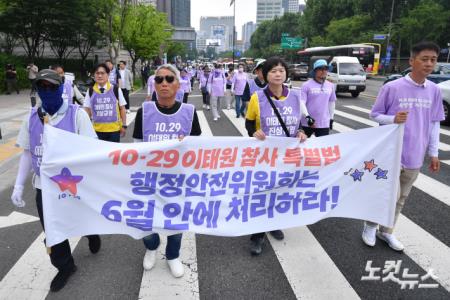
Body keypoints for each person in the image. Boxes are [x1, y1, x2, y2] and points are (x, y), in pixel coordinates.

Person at [10, 69, 101, 292]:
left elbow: (93, 149)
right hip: (45, 187)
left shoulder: (76, 114)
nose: (47, 91)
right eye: (43, 87)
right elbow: (28, 152)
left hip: (74, 184)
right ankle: (65, 266)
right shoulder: (32, 117)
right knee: (52, 230)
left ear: (61, 88)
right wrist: (19, 185)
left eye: (52, 86)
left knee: (80, 216)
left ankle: (91, 230)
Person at [361, 41, 445, 251]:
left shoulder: (434, 90)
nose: (428, 64)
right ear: (412, 61)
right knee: (388, 194)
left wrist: (434, 153)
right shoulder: (392, 87)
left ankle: (386, 232)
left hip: (415, 154)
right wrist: (393, 119)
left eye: (433, 60)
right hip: (391, 153)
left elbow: (435, 123)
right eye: (424, 59)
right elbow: (375, 114)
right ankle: (370, 225)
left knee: (402, 198)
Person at [132, 64, 201, 277]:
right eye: (159, 79)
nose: (164, 83)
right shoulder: (145, 112)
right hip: (149, 178)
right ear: (154, 84)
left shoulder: (189, 113)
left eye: (169, 79)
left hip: (177, 179)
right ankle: (151, 247)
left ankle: (172, 255)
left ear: (178, 84)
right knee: (144, 221)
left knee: (175, 220)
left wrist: (186, 145)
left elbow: (199, 149)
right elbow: (136, 146)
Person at [245, 57, 308, 255]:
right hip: (264, 156)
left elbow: (303, 122)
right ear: (265, 75)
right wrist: (254, 133)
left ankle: (273, 224)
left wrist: (302, 132)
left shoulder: (296, 96)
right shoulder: (257, 97)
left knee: (280, 192)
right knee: (263, 194)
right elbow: (249, 124)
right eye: (273, 71)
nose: (278, 74)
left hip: (288, 156)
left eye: (281, 70)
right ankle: (257, 235)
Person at [84, 63, 127, 142]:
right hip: (96, 131)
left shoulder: (115, 89)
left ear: (108, 74)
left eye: (102, 73)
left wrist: (124, 125)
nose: (100, 76)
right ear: (94, 75)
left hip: (114, 131)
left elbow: (122, 108)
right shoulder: (90, 91)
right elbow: (87, 110)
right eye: (97, 73)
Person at [300, 59, 336, 137]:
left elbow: (331, 102)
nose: (323, 71)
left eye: (326, 69)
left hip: (324, 123)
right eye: (321, 69)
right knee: (302, 146)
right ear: (315, 71)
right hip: (307, 122)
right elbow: (301, 102)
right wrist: (308, 117)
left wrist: (331, 118)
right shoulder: (306, 85)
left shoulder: (331, 85)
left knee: (322, 146)